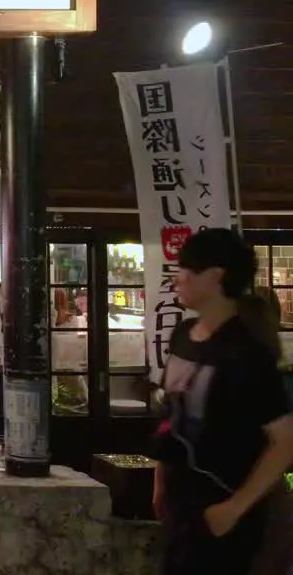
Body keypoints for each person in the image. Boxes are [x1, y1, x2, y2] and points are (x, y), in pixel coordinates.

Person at [151, 229, 293, 575]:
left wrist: (234, 507)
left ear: (215, 277)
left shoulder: (245, 351)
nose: (177, 278)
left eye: (186, 269)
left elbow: (285, 441)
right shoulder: (183, 335)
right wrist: (159, 482)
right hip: (180, 507)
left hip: (227, 512)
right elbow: (172, 417)